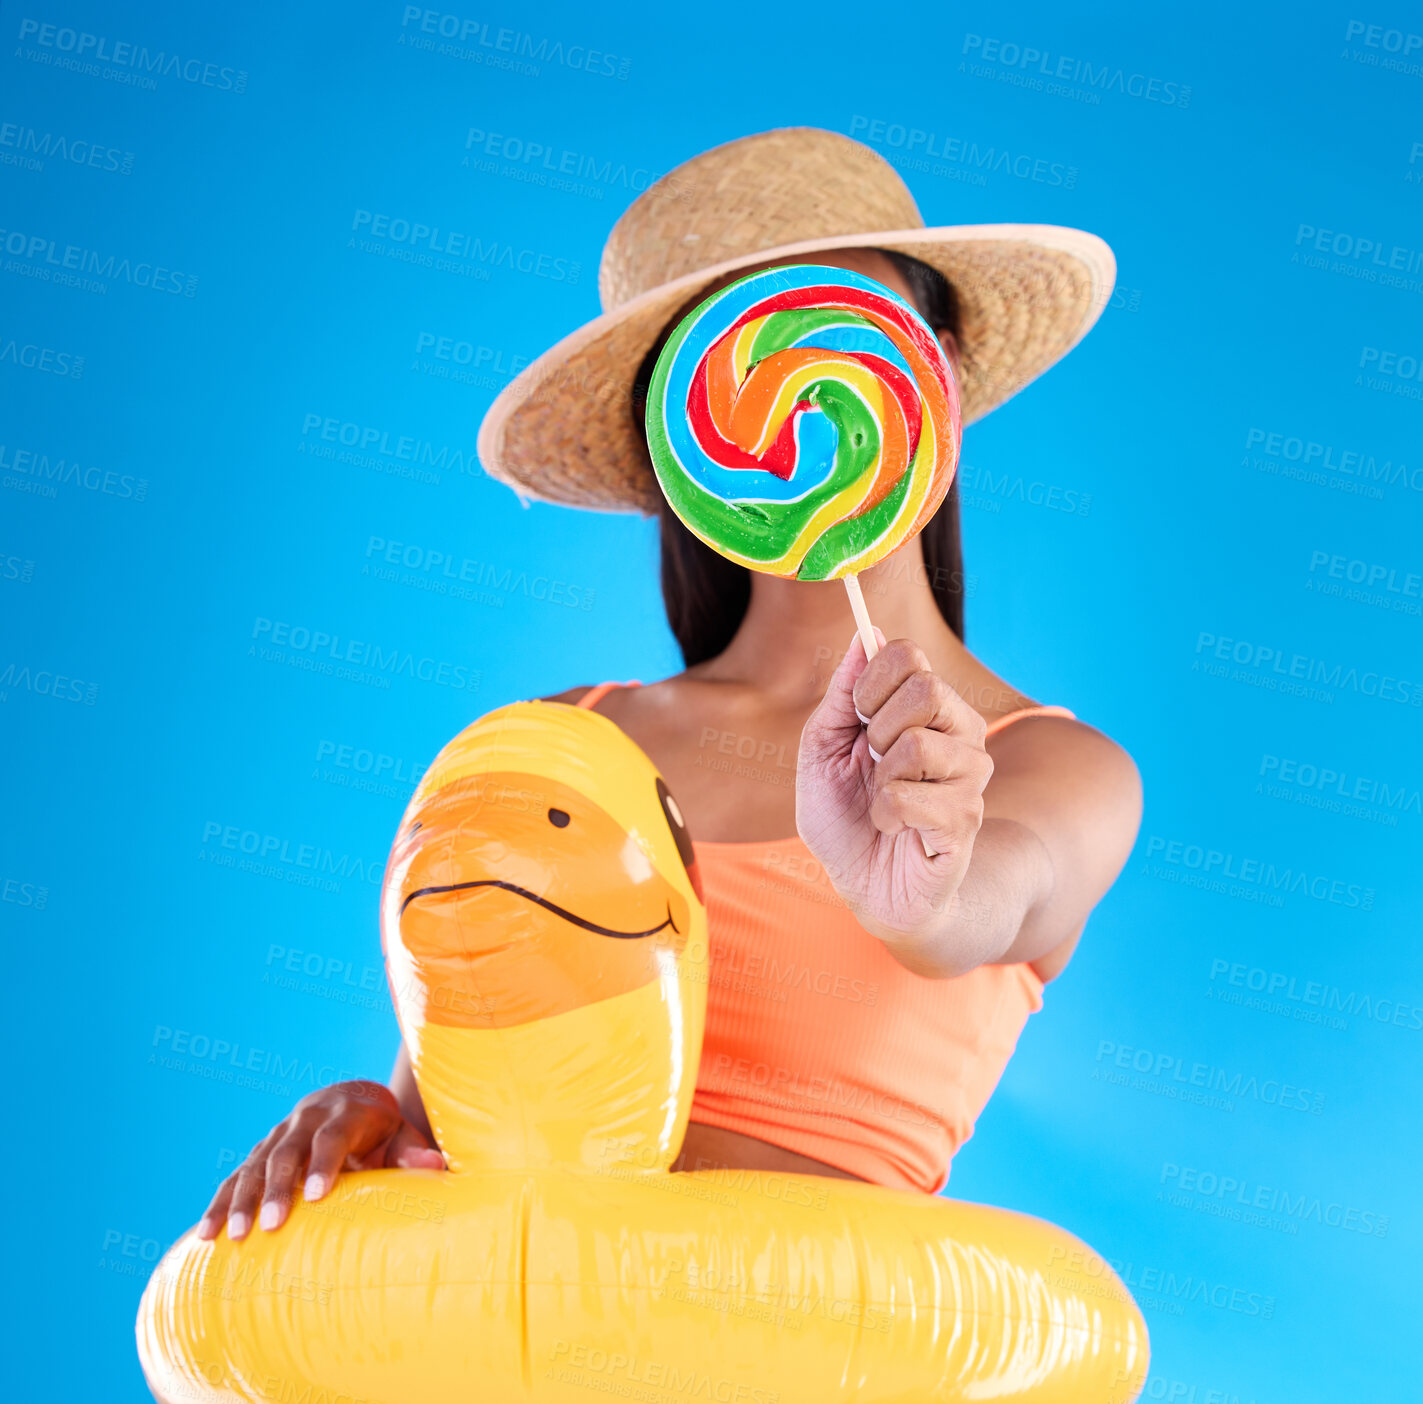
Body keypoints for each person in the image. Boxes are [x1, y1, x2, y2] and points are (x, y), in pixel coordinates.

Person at [200, 127, 1141, 1241]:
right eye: (737, 349)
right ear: (675, 436)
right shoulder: (552, 747)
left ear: (931, 367)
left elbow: (988, 900)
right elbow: (450, 1103)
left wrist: (922, 888)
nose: (793, 382)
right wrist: (369, 1121)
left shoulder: (1051, 767)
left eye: (831, 323)